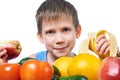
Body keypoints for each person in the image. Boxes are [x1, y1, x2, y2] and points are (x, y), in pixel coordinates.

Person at [0, 0, 118, 65]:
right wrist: (3, 65)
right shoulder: (32, 61)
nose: (59, 39)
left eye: (65, 30)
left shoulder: (85, 63)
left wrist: (111, 57)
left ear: (77, 31)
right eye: (50, 32)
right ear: (41, 37)